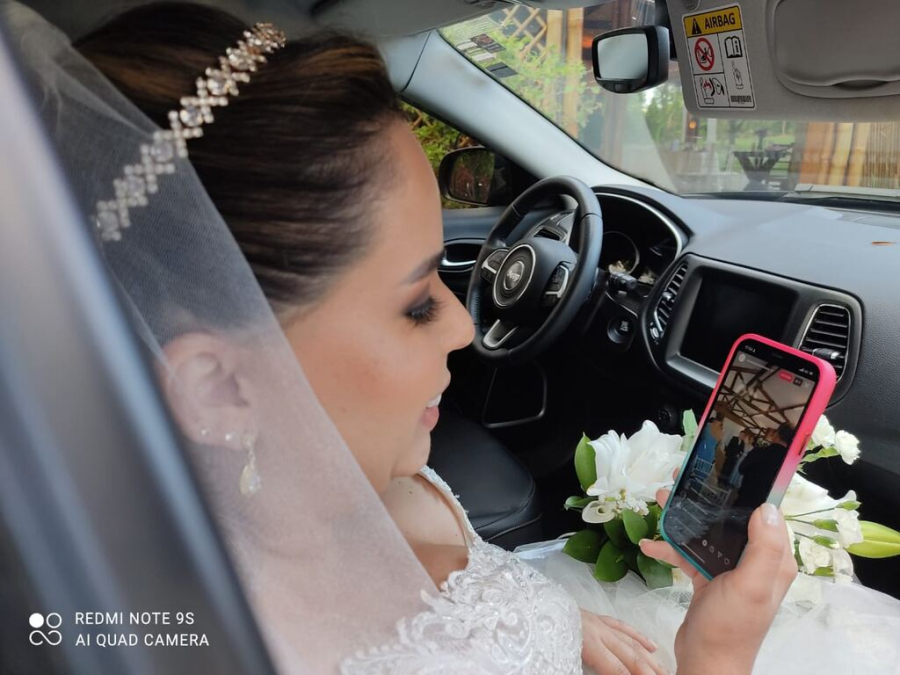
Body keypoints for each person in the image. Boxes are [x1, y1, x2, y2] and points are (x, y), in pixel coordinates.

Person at [13, 2, 895, 673]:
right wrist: (713, 661)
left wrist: (554, 628)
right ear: (217, 385)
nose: (467, 321)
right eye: (414, 301)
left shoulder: (351, 464)